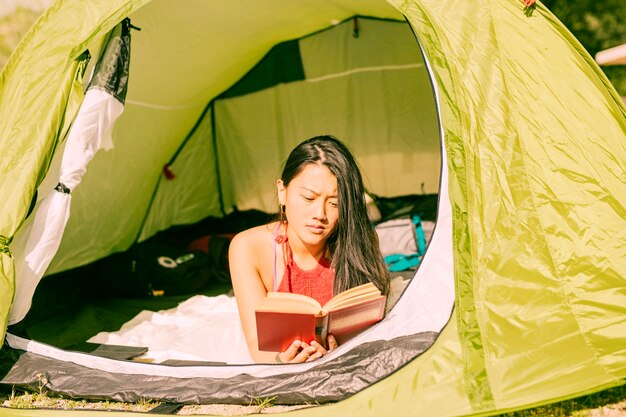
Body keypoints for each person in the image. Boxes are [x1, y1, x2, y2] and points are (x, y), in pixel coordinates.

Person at [229, 135, 390, 364]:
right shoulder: (248, 247)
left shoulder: (359, 241)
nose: (320, 215)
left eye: (335, 203)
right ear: (282, 191)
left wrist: (340, 353)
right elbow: (257, 346)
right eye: (308, 198)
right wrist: (280, 361)